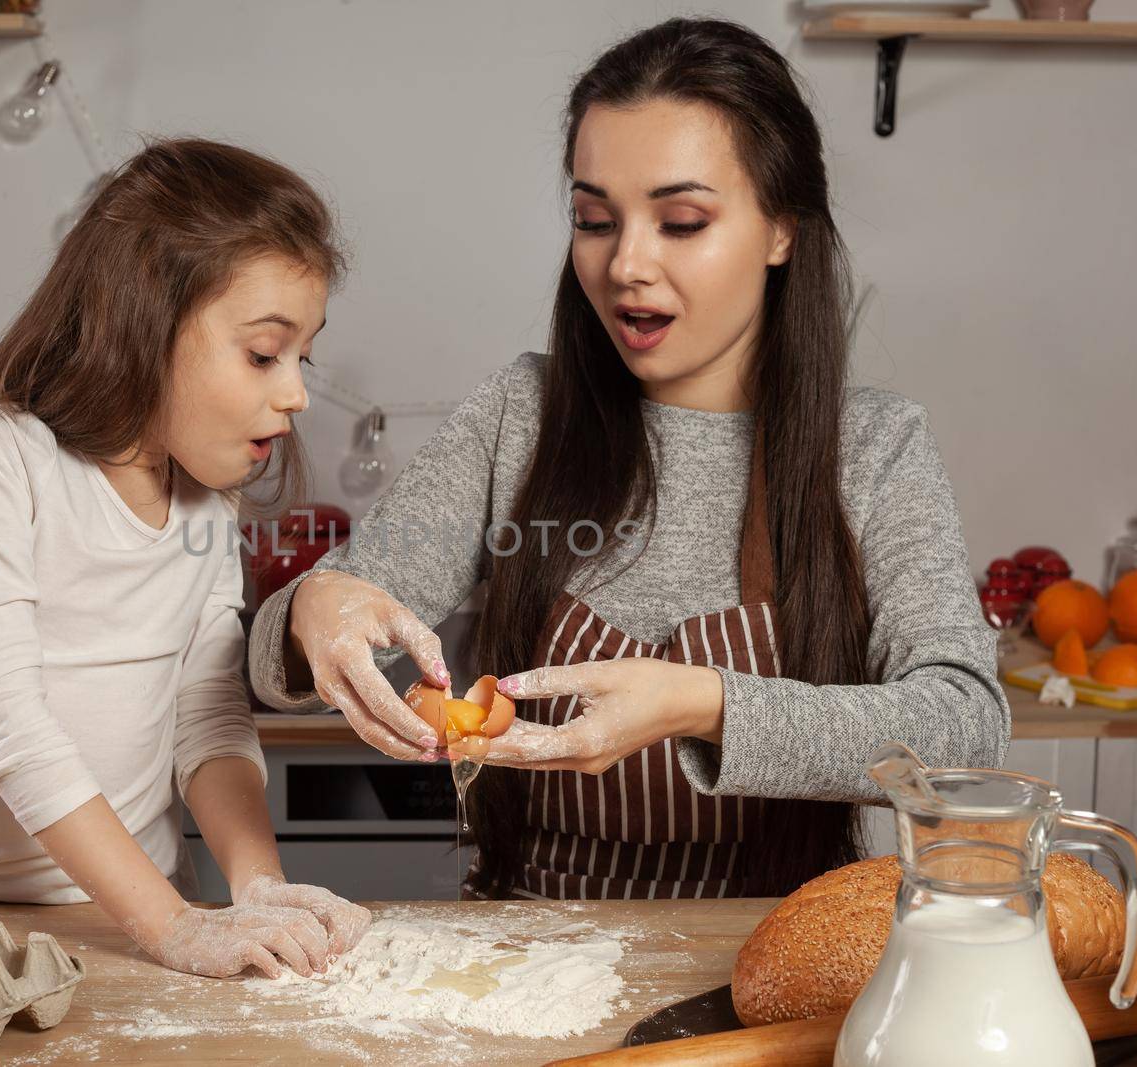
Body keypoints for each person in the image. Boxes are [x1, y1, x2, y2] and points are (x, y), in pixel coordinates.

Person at [249, 19, 1009, 901]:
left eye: (681, 221)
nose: (625, 265)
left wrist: (702, 703)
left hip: (779, 944)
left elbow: (965, 726)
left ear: (782, 231)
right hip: (526, 946)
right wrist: (314, 609)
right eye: (594, 220)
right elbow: (293, 656)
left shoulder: (874, 448)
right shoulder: (521, 416)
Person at [0, 139, 370, 977]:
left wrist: (256, 883)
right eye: (263, 353)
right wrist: (172, 927)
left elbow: (207, 716)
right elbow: (6, 722)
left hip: (139, 920)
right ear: (146, 320)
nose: (297, 393)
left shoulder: (204, 491)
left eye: (301, 356)